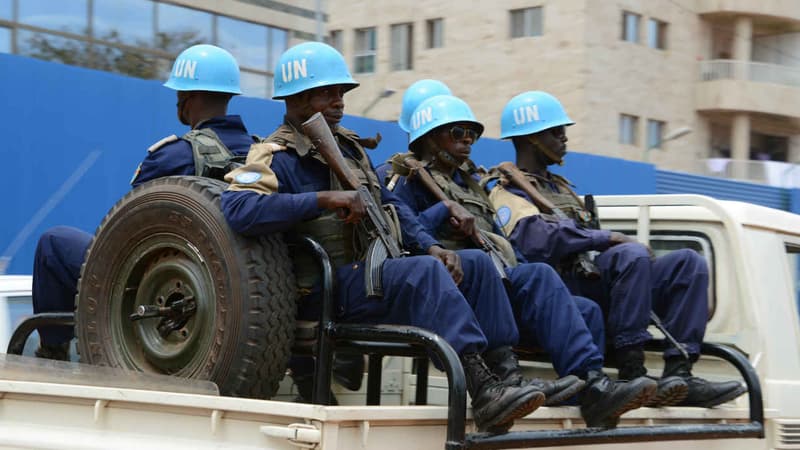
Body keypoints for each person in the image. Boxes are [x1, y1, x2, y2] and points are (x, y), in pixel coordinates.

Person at [220, 42, 548, 434]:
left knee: (474, 264)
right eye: (328, 93)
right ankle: (481, 388)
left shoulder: (351, 151)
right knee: (423, 274)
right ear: (298, 98)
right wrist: (324, 198)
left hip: (371, 274)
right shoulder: (275, 154)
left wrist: (433, 245)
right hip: (328, 289)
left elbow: (394, 206)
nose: (339, 101)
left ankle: (505, 375)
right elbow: (238, 209)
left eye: (341, 93)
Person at [388, 93, 659, 428]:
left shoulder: (470, 183)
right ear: (429, 139)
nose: (468, 140)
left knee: (554, 285)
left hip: (494, 275)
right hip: (454, 282)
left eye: (471, 133)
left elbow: (502, 237)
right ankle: (507, 379)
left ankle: (591, 386)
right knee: (498, 268)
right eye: (458, 132)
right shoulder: (407, 179)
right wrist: (440, 211)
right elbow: (401, 236)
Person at [492, 90, 747, 408]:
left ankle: (679, 372)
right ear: (531, 139)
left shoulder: (561, 188)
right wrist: (608, 238)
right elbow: (538, 240)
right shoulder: (506, 194)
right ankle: (631, 369)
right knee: (630, 254)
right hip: (564, 292)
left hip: (600, 284)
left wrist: (605, 240)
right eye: (555, 132)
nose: (564, 138)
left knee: (688, 263)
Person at [32, 44, 254, 360]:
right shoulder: (263, 155)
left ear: (188, 98)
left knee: (53, 243)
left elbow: (123, 228)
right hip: (245, 289)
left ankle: (52, 352)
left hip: (169, 279)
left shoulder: (173, 155)